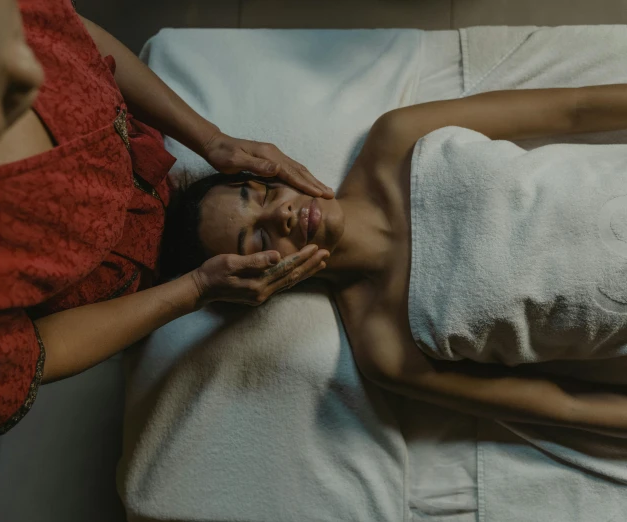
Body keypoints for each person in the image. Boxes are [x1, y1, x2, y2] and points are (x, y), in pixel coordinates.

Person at [0, 0, 333, 434]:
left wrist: (210, 139)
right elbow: (33, 356)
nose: (33, 76)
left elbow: (74, 33)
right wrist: (196, 289)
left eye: (11, 32)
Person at [168, 83, 627, 437]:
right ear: (257, 283)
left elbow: (576, 109)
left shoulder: (399, 138)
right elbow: (565, 404)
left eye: (263, 192)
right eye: (259, 237)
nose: (282, 212)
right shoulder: (385, 345)